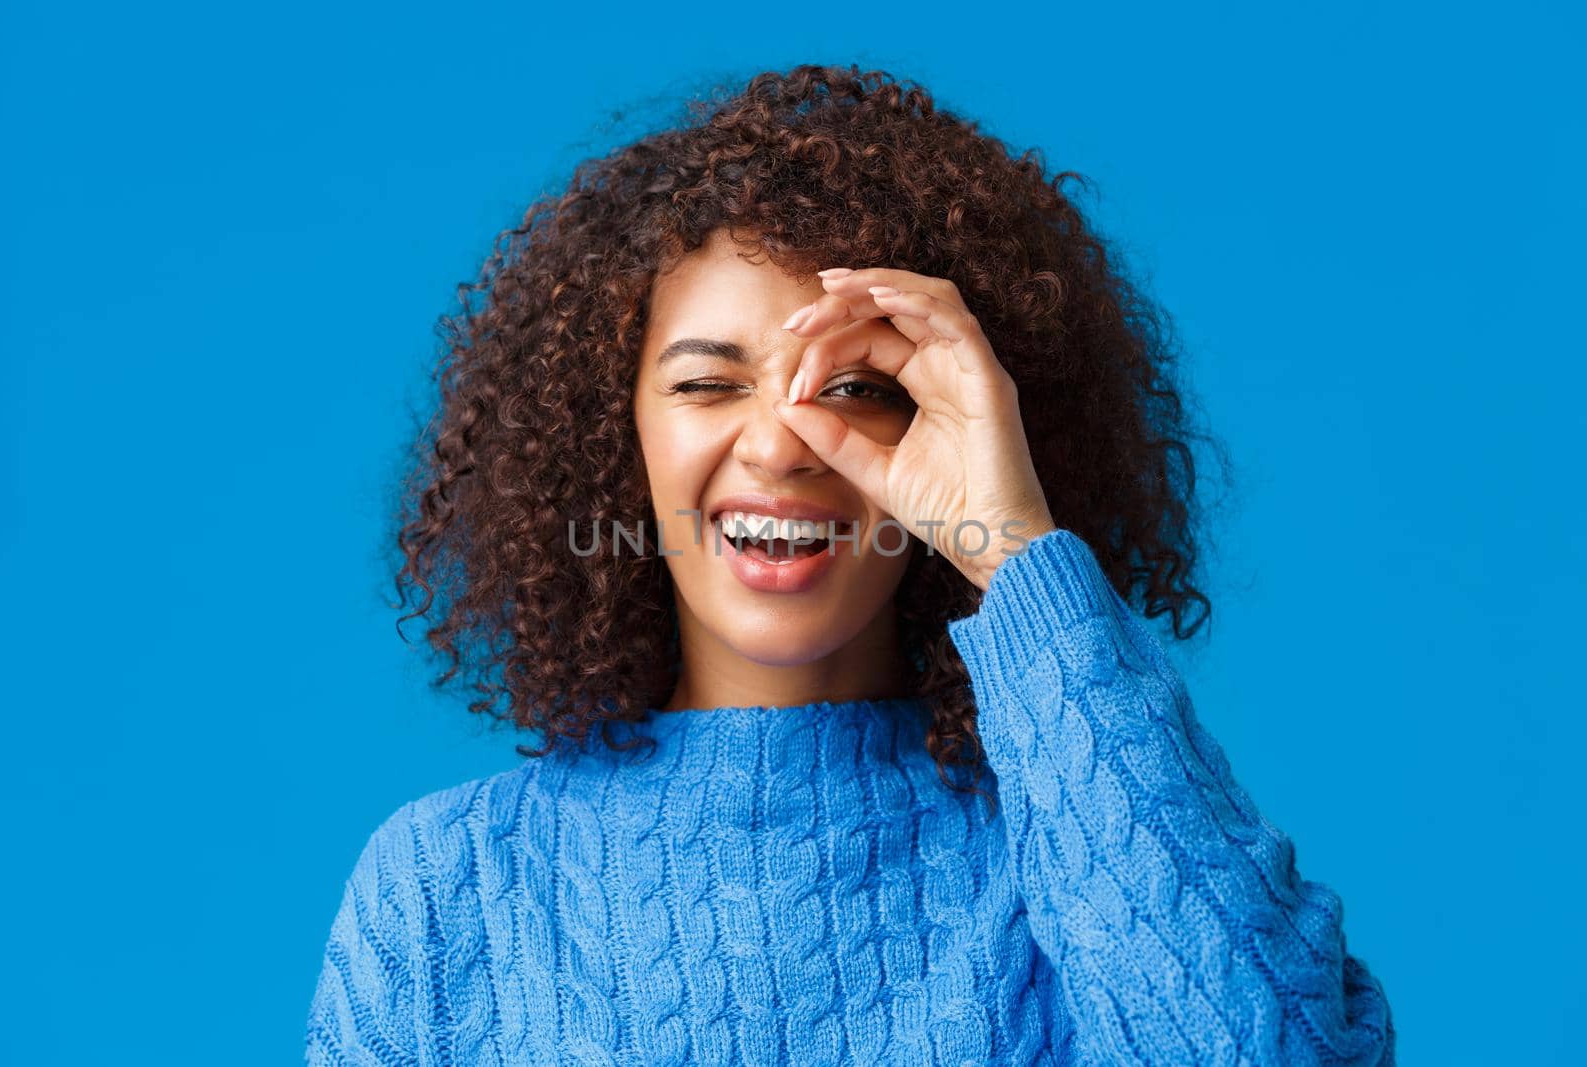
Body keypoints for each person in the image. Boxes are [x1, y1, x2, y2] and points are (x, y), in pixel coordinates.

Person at [305, 63, 1396, 1065]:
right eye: (705, 383)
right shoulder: (449, 885)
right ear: (610, 435)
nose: (780, 443)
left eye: (856, 387)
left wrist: (1010, 544)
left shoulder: (1068, 847)